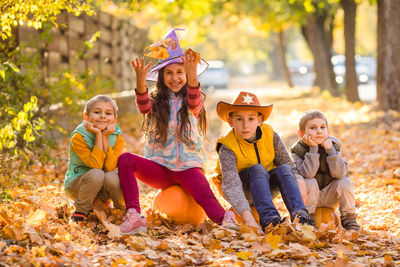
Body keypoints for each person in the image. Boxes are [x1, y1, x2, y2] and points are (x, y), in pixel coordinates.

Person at [117, 28, 236, 235]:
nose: (174, 77)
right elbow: (144, 107)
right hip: (161, 169)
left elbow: (193, 97)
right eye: (169, 73)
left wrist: (191, 75)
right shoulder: (157, 101)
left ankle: (224, 220)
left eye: (179, 72)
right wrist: (140, 81)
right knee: (125, 159)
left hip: (188, 167)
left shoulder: (192, 103)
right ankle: (134, 215)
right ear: (162, 77)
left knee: (204, 195)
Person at [213, 91, 312, 232]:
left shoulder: (269, 134)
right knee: (257, 169)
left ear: (259, 120)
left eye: (251, 119)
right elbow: (232, 186)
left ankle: (301, 217)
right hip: (243, 191)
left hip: (267, 187)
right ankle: (270, 220)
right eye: (239, 119)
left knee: (284, 169)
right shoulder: (227, 145)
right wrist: (249, 219)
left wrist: (299, 180)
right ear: (231, 121)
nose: (245, 125)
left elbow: (287, 164)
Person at [290, 110, 360, 231]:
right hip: (309, 198)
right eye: (312, 128)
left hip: (329, 196)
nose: (319, 131)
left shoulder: (333, 146)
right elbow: (308, 174)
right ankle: (307, 220)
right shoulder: (297, 151)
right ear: (301, 133)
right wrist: (313, 149)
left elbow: (339, 174)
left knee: (345, 182)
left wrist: (330, 151)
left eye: (322, 127)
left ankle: (349, 220)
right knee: (309, 181)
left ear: (328, 131)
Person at [64, 95, 125, 222]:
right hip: (78, 185)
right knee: (97, 173)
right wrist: (98, 134)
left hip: (102, 187)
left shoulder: (117, 139)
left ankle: (123, 210)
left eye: (108, 113)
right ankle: (81, 211)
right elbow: (95, 165)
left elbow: (109, 167)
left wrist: (105, 137)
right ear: (86, 117)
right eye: (97, 112)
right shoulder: (79, 137)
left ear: (114, 119)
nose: (103, 116)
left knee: (112, 176)